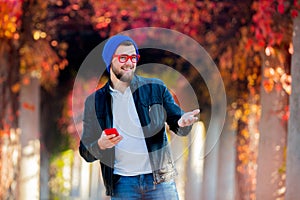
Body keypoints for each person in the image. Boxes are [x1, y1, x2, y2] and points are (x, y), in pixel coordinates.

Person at [79, 35, 200, 200]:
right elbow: (85, 151)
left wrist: (182, 122)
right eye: (123, 57)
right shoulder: (95, 102)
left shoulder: (155, 88)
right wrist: (100, 144)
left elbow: (176, 119)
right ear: (109, 61)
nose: (129, 62)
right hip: (122, 184)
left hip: (160, 180)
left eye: (133, 57)